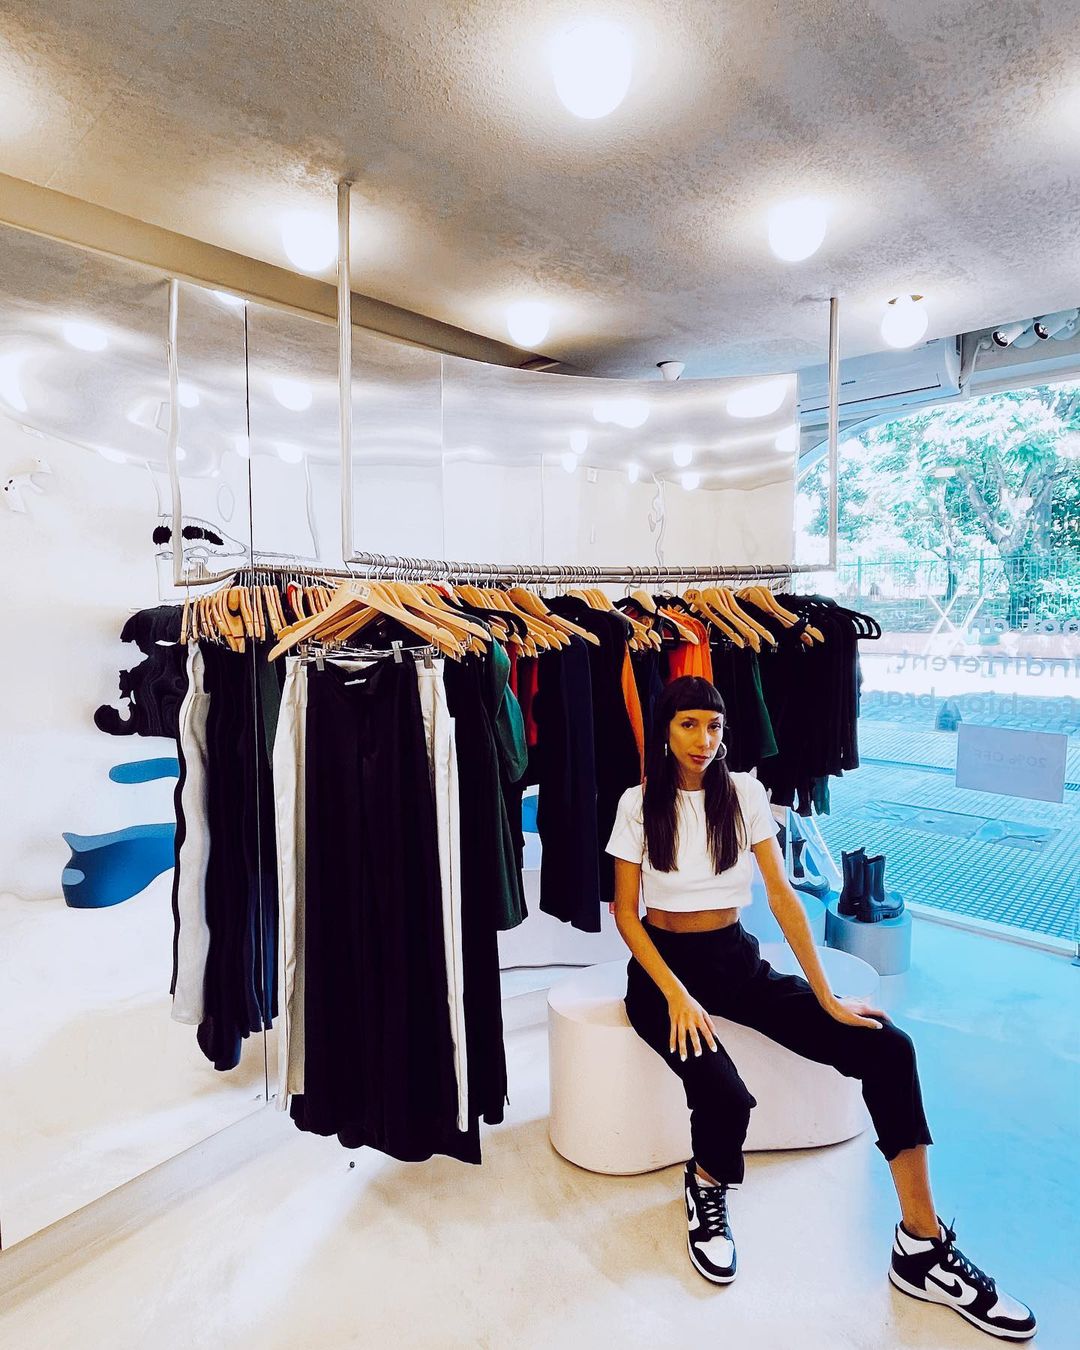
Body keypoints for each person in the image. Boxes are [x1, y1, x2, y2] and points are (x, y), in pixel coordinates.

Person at [606, 676, 1036, 1342]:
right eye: (689, 724)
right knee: (726, 1098)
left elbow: (781, 896)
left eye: (714, 726)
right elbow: (626, 915)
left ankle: (921, 1246)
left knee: (888, 1048)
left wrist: (826, 995)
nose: (703, 739)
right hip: (663, 974)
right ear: (665, 729)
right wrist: (676, 993)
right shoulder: (638, 804)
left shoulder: (745, 794)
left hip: (734, 960)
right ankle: (706, 1185)